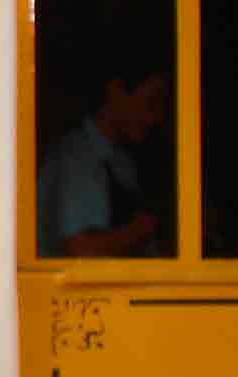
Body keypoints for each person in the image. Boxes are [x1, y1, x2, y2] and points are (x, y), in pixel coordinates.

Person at [34, 67, 169, 257]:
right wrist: (139, 231)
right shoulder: (76, 157)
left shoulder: (122, 162)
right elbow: (81, 250)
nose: (155, 118)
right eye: (151, 103)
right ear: (116, 91)